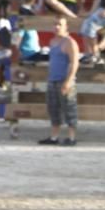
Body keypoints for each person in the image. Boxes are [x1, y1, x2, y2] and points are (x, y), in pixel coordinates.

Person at [39, 17, 80, 147]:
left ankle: (71, 137)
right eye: (55, 24)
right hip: (53, 79)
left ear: (66, 27)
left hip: (65, 80)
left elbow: (74, 63)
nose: (57, 27)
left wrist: (68, 81)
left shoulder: (70, 42)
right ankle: (54, 136)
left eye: (60, 24)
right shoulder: (52, 42)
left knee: (69, 109)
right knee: (53, 109)